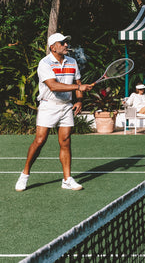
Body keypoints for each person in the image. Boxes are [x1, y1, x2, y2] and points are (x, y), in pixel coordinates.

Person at [15, 33, 94, 192]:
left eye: (66, 42)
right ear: (53, 47)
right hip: (48, 106)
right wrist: (79, 88)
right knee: (39, 141)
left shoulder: (72, 62)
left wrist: (79, 100)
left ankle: (67, 179)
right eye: (62, 42)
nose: (66, 45)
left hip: (66, 107)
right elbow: (53, 86)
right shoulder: (45, 63)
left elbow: (77, 82)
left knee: (65, 141)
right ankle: (25, 174)